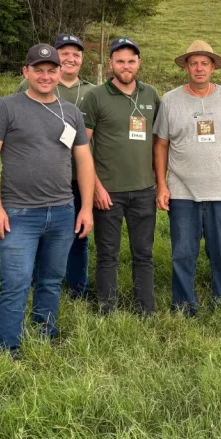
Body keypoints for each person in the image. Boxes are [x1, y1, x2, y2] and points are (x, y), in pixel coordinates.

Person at [0, 43, 95, 354]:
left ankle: (44, 335)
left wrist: (85, 208)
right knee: (15, 283)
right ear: (26, 72)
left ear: (60, 72)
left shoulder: (71, 112)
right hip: (18, 214)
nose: (45, 76)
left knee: (51, 280)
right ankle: (8, 346)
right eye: (38, 70)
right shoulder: (6, 107)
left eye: (51, 70)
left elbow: (84, 161)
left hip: (62, 211)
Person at [153, 40, 221, 315]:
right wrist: (161, 185)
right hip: (182, 192)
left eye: (204, 63)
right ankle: (184, 305)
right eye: (194, 63)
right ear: (186, 67)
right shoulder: (170, 100)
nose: (199, 68)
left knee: (220, 251)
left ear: (213, 68)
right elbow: (160, 145)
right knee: (183, 253)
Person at [81, 37, 160, 315]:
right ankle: (107, 309)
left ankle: (146, 309)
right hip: (108, 192)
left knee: (144, 254)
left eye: (131, 61)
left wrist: (159, 183)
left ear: (139, 63)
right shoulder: (95, 97)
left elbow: (159, 142)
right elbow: (83, 147)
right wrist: (96, 188)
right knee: (107, 254)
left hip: (144, 190)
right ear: (110, 64)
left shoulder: (150, 95)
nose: (126, 66)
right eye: (120, 61)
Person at [17, 33, 95, 299]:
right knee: (39, 232)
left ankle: (78, 287)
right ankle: (34, 282)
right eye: (65, 53)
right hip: (42, 176)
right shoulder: (34, 84)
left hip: (78, 177)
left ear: (81, 59)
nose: (71, 58)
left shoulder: (92, 91)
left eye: (76, 54)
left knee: (79, 234)